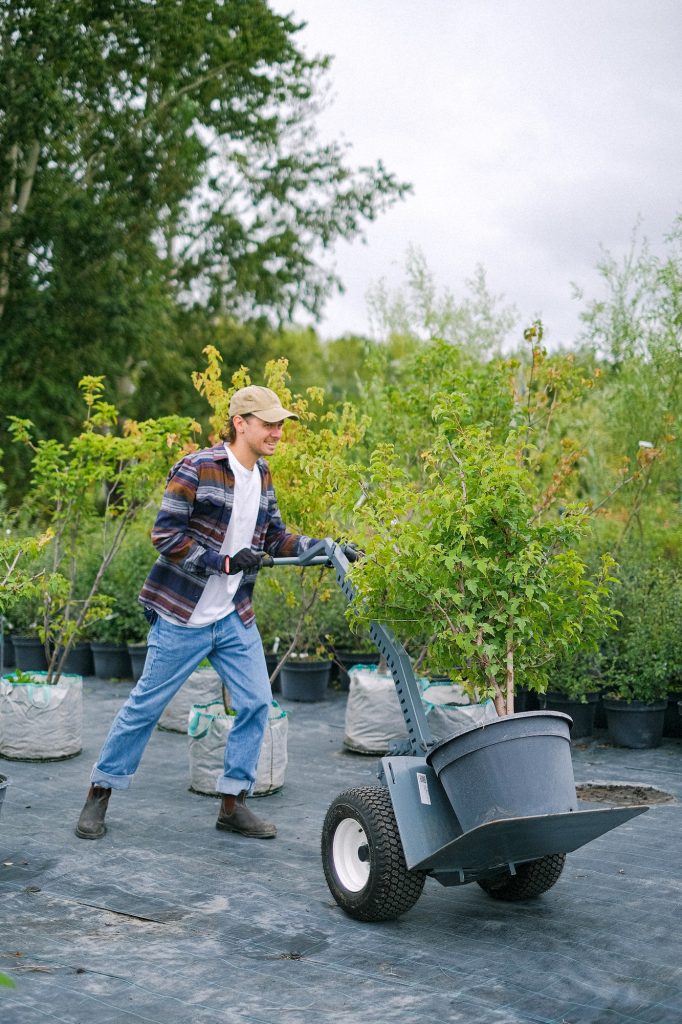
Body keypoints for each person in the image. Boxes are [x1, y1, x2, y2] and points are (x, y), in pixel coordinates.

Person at [75, 385, 321, 842]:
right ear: (240, 423)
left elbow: (275, 538)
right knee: (145, 707)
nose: (277, 431)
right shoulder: (198, 467)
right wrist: (223, 562)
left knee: (256, 703)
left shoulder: (262, 475)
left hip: (231, 614)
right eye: (268, 423)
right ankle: (100, 792)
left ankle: (232, 803)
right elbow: (166, 536)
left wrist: (320, 548)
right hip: (182, 615)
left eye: (280, 423)